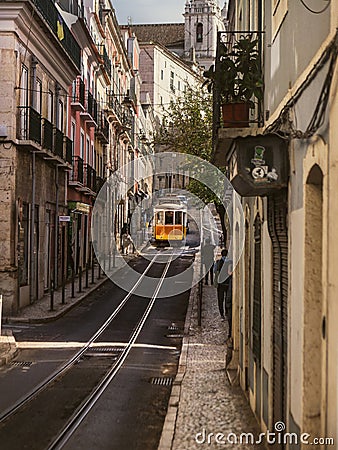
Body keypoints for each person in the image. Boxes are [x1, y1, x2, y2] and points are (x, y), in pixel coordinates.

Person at [214, 249, 233, 326]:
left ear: (221, 255)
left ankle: (221, 314)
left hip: (220, 284)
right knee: (227, 298)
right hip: (228, 283)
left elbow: (215, 271)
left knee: (220, 299)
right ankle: (226, 312)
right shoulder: (230, 262)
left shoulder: (218, 262)